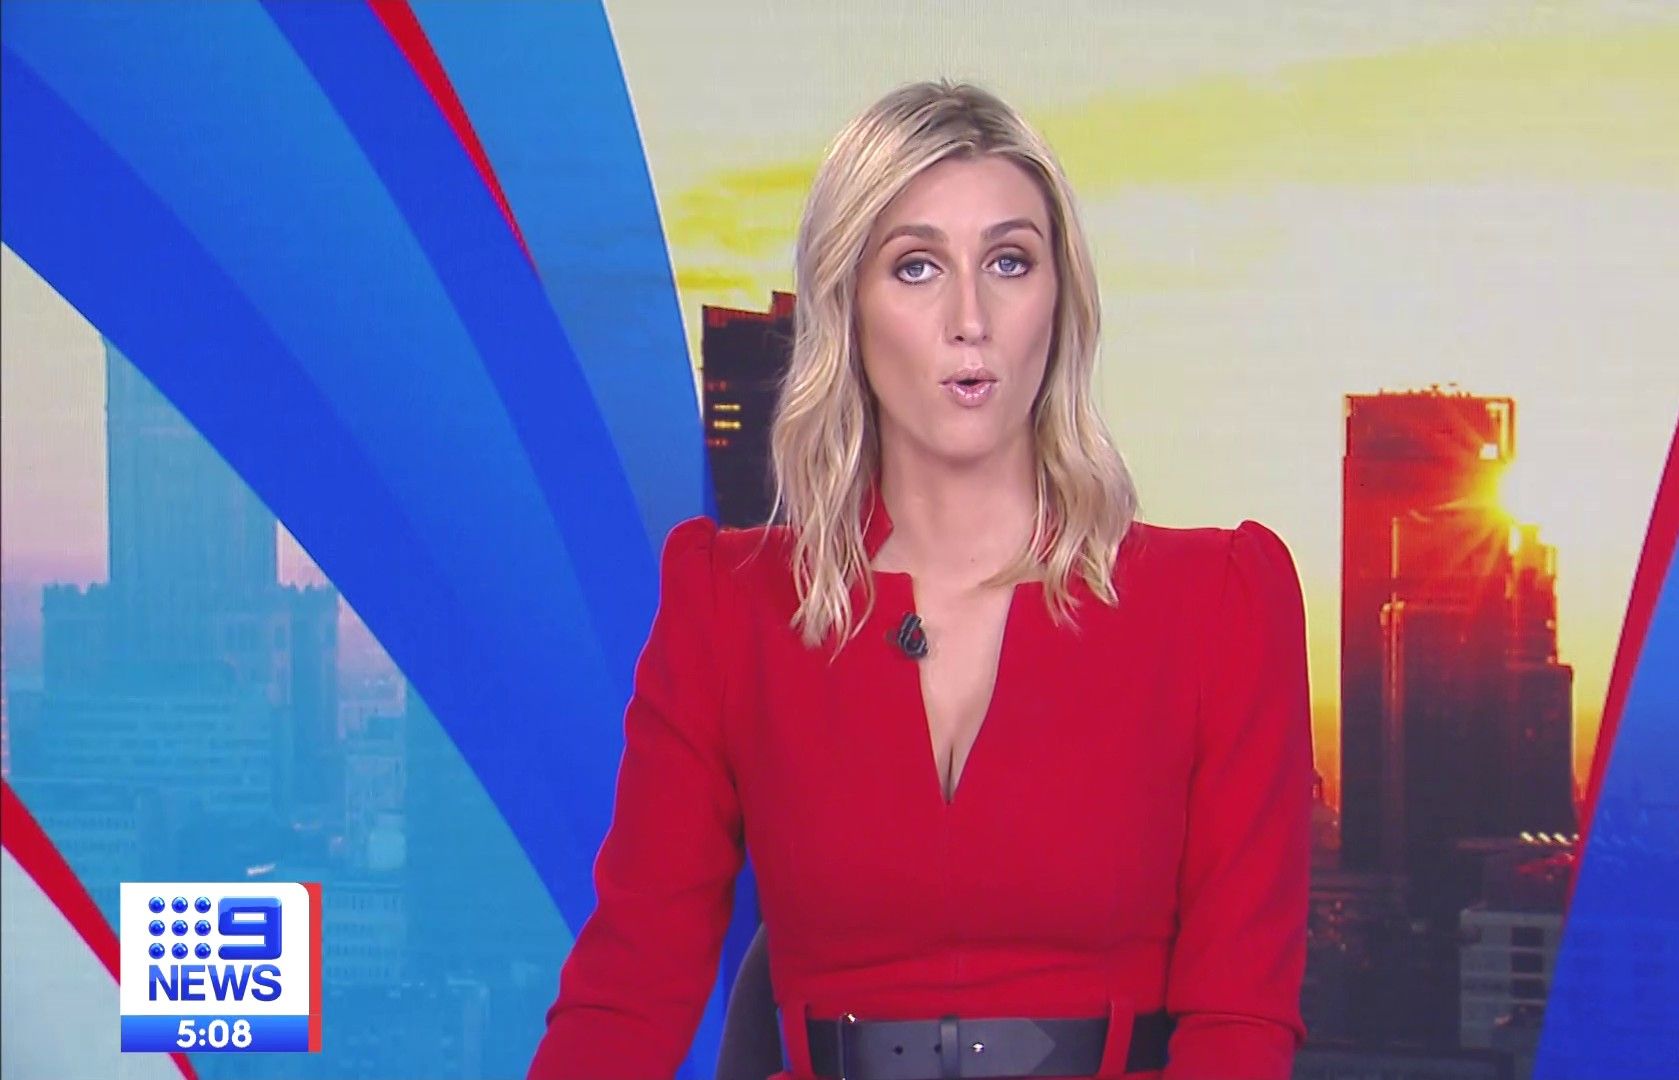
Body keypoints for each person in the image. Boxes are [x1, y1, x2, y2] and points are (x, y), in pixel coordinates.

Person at [528, 80, 1312, 1080]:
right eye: (916, 267)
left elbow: (1240, 1022)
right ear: (845, 307)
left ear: (1060, 302)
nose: (969, 319)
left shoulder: (1217, 603)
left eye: (1010, 262)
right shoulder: (729, 605)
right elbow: (628, 994)